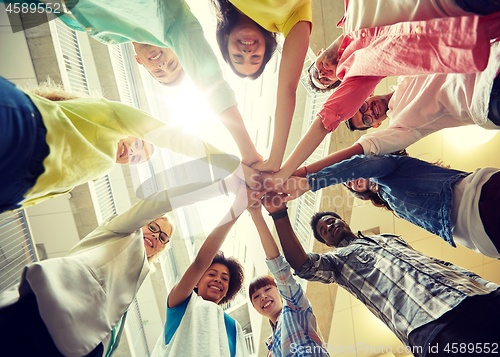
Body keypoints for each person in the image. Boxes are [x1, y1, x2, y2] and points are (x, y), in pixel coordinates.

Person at [260, 3, 500, 189]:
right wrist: (290, 172)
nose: (321, 74)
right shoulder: (363, 70)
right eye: (324, 81)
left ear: (319, 53)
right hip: (487, 84)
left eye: (316, 71)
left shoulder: (352, 11)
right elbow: (329, 124)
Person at [260, 192, 500, 357]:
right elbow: (302, 265)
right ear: (327, 243)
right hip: (432, 323)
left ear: (342, 220)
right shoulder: (337, 263)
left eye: (331, 220)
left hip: (476, 292)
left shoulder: (386, 238)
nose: (330, 226)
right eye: (324, 231)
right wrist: (279, 213)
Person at [61, 0, 262, 167]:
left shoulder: (106, 35)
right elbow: (210, 82)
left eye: (158, 72)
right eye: (173, 64)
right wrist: (249, 152)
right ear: (178, 49)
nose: (163, 65)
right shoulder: (170, 23)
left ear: (140, 61)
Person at [0, 76, 245, 213]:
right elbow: (174, 137)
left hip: (13, 189)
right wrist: (232, 164)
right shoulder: (110, 114)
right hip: (23, 129)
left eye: (137, 158)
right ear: (133, 131)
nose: (133, 153)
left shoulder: (101, 165)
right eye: (139, 144)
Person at [277, 154, 500, 258]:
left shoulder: (389, 167)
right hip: (482, 239)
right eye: (348, 184)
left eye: (349, 176)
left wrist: (310, 181)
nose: (351, 180)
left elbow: (364, 165)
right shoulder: (392, 201)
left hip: (482, 198)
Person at [151, 181, 262, 357]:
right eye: (211, 274)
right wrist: (237, 207)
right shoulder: (182, 303)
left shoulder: (234, 327)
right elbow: (200, 262)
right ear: (196, 281)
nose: (218, 279)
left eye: (225, 279)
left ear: (227, 291)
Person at [211, 0, 312, 175]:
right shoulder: (290, 19)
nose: (247, 54)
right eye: (256, 58)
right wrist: (274, 160)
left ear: (225, 40)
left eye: (237, 57)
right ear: (266, 45)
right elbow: (288, 89)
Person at [247, 203, 328, 356]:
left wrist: (256, 216)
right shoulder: (270, 350)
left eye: (267, 289)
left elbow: (279, 268)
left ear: (279, 291)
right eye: (256, 296)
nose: (263, 296)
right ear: (255, 307)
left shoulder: (294, 305)